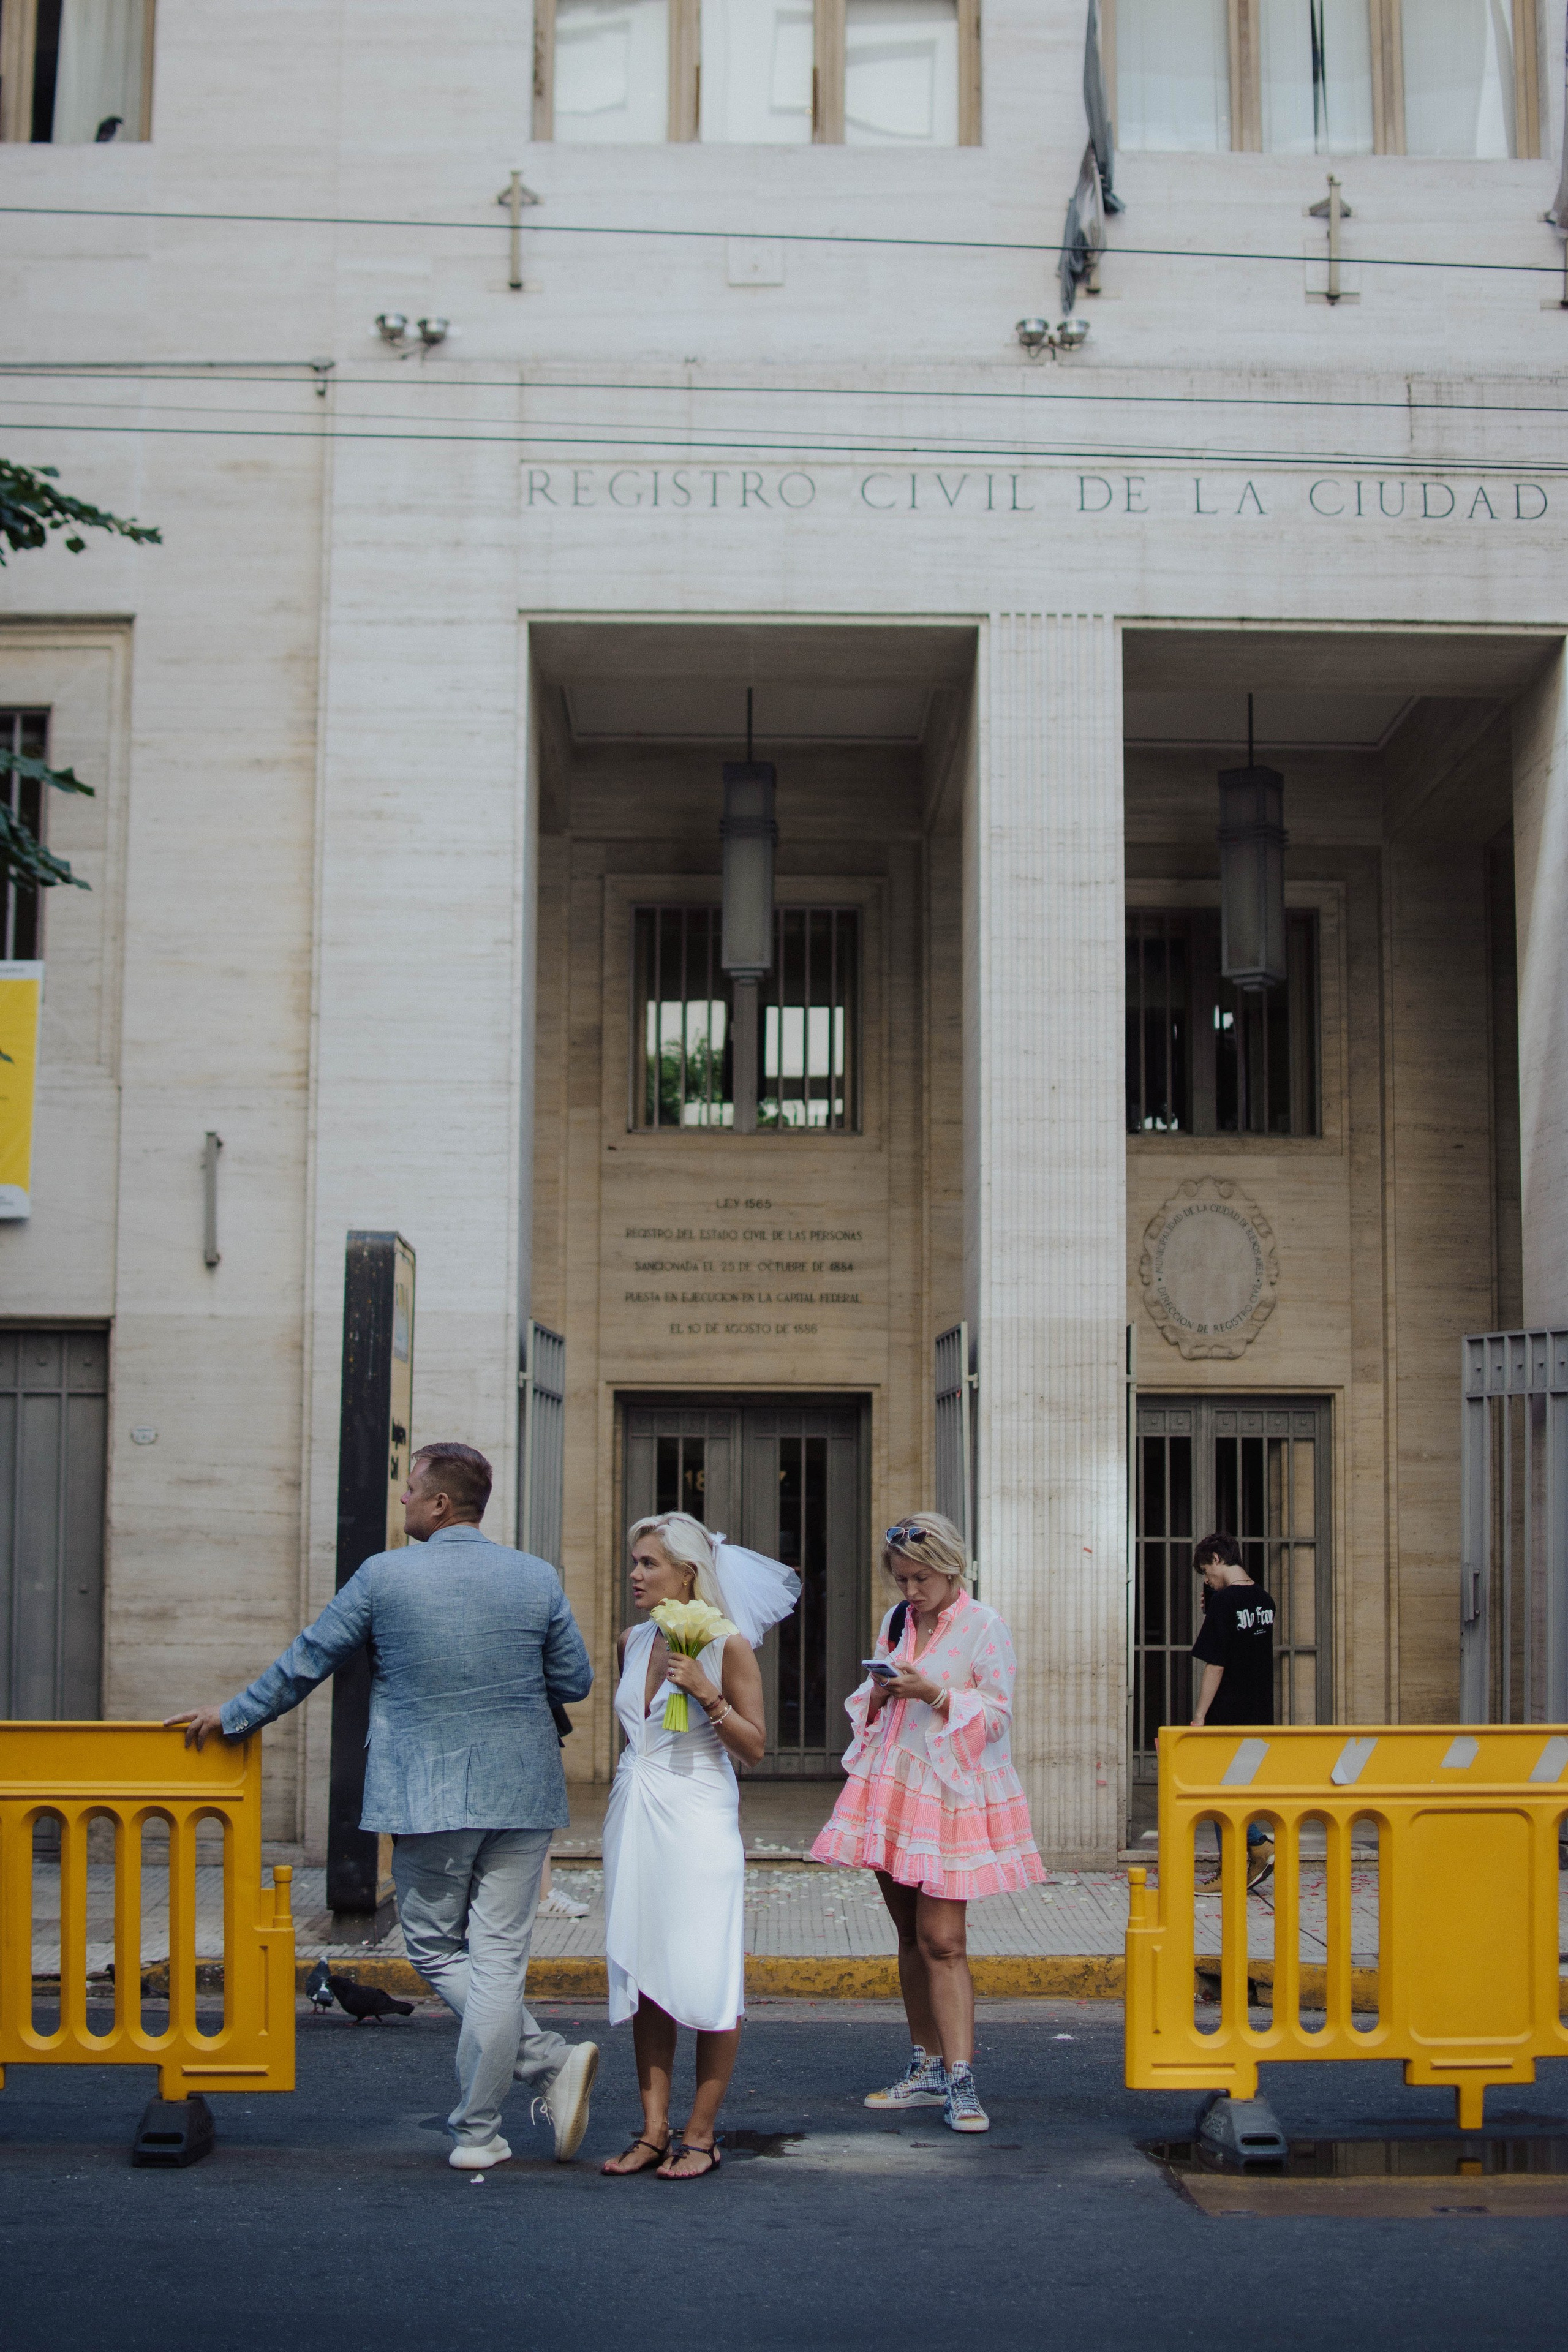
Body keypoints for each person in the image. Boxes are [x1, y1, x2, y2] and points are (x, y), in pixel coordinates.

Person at [165, 1441, 599, 2172]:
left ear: (439, 1504)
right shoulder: (536, 1577)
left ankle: (504, 2107)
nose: (401, 1500)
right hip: (522, 1792)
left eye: (409, 1490)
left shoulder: (383, 1577)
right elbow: (575, 1680)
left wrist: (234, 1715)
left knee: (435, 1948)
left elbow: (309, 1659)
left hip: (427, 1793)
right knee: (497, 1959)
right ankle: (503, 2107)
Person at [811, 1511, 1043, 2136]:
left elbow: (997, 1716)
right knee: (910, 1935)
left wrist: (935, 1695)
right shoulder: (898, 1622)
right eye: (901, 1580)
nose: (910, 1593)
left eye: (920, 1580)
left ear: (949, 1569)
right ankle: (926, 2066)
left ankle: (961, 2079)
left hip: (948, 1795)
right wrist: (882, 1692)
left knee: (944, 1939)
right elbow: (870, 1705)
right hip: (892, 1787)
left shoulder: (984, 1626)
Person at [599, 1512, 798, 2183]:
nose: (635, 1573)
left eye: (649, 1563)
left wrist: (709, 1696)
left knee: (706, 1974)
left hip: (700, 1818)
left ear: (688, 1573)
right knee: (645, 1974)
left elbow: (755, 1747)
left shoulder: (728, 1646)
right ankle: (653, 2130)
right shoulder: (630, 1641)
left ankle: (702, 2134)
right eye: (634, 1562)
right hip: (637, 1810)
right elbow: (634, 1736)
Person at [1188, 1530, 1277, 1891]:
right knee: (1232, 1789)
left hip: (1228, 1708)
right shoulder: (1265, 1599)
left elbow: (1216, 1664)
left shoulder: (1225, 1604)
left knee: (1217, 1790)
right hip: (1259, 1709)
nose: (1207, 1580)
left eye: (1206, 1573)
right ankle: (1255, 1848)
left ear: (1215, 1559)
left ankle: (1245, 1857)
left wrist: (1199, 1717)